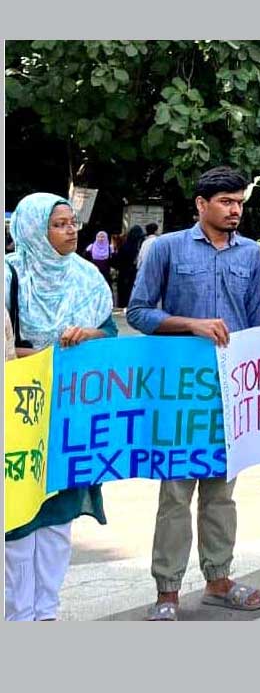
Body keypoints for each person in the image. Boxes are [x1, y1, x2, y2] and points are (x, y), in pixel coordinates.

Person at [126, 166, 260, 621]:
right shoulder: (165, 248)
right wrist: (191, 325)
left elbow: (254, 322)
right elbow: (139, 313)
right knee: (175, 493)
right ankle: (167, 589)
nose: (235, 210)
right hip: (180, 392)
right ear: (201, 205)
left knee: (222, 494)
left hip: (231, 390)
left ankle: (219, 580)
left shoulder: (251, 255)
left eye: (239, 202)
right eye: (226, 202)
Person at [4, 193, 115, 621]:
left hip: (71, 412)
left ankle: (46, 612)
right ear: (34, 230)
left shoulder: (87, 277)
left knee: (59, 512)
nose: (71, 231)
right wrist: (46, 357)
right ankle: (18, 618)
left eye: (72, 223)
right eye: (60, 224)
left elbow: (108, 335)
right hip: (21, 413)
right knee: (19, 514)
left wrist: (88, 335)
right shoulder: (10, 273)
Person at [114, 225, 146, 307]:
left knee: (123, 295)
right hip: (133, 274)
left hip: (124, 273)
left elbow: (118, 261)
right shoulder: (138, 247)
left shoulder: (125, 246)